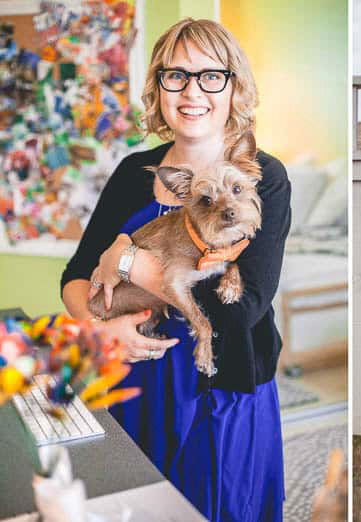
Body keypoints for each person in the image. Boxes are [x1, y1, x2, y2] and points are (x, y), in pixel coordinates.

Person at [60, 18, 290, 521]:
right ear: (158, 87)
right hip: (136, 381)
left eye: (211, 76)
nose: (192, 91)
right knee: (136, 507)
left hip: (223, 388)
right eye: (176, 75)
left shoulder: (262, 177)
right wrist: (98, 331)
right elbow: (76, 275)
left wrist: (131, 263)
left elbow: (241, 309)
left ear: (234, 87)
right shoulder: (132, 171)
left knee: (219, 505)